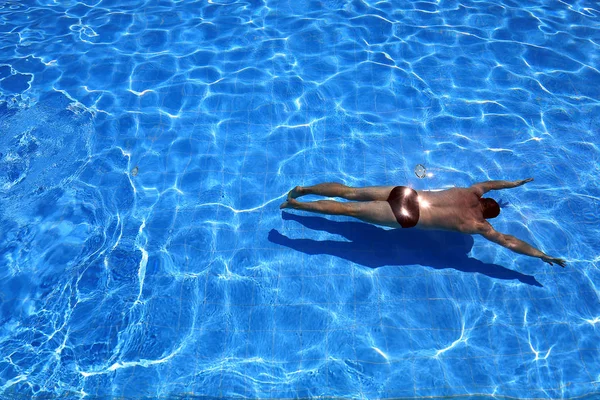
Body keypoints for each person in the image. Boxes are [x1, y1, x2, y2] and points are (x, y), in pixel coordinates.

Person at [279, 178, 566, 267]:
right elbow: (508, 241)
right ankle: (297, 206)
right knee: (347, 213)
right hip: (407, 216)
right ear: (487, 214)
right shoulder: (478, 226)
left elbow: (494, 184)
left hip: (407, 194)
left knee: (349, 192)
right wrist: (540, 253)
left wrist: (515, 183)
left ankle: (303, 190)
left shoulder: (473, 191)